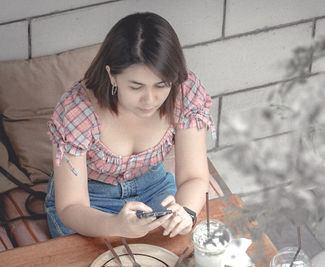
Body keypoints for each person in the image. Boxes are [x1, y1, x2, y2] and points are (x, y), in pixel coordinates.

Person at [45, 12, 215, 239]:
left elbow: (194, 177)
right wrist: (116, 226)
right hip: (90, 203)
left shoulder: (184, 92)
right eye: (136, 87)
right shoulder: (77, 113)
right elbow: (70, 207)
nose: (150, 100)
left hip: (155, 187)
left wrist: (186, 213)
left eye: (161, 85)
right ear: (112, 75)